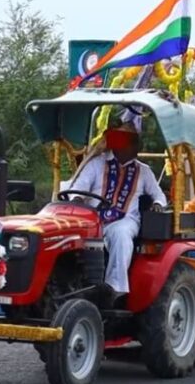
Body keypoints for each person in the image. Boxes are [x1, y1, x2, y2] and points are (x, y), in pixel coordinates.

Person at [61, 123, 166, 299]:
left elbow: (159, 195)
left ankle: (114, 290)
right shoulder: (96, 164)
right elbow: (77, 189)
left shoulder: (144, 171)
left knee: (121, 234)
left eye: (136, 142)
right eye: (132, 142)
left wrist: (157, 204)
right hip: (92, 219)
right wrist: (77, 200)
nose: (137, 147)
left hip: (125, 220)